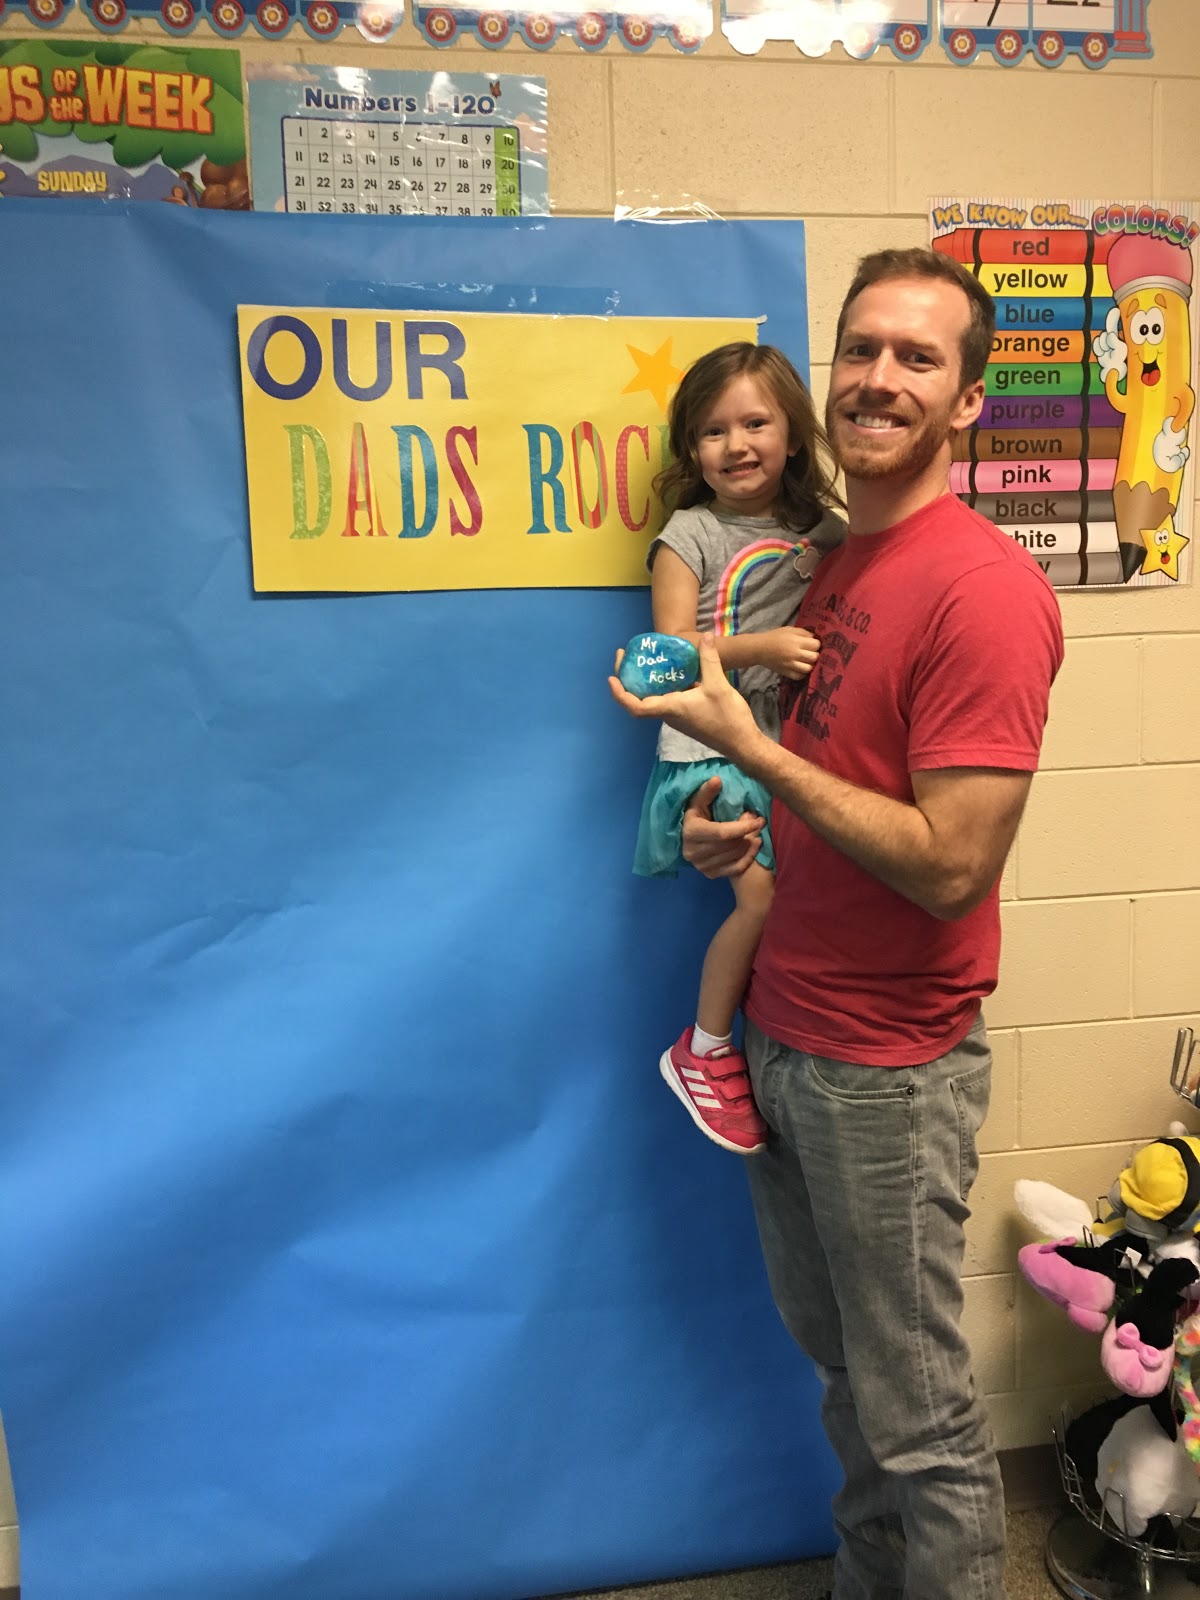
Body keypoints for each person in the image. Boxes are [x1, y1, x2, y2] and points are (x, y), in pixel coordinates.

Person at [610, 249, 1064, 1600]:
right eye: (862, 349)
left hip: (887, 1070)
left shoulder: (981, 589)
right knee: (850, 1386)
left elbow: (951, 866)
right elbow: (833, 784)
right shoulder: (835, 561)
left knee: (919, 1420)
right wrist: (740, 833)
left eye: (919, 357)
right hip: (784, 1034)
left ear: (968, 400)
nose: (879, 377)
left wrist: (751, 744)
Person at [631, 342, 844, 1156]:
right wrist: (762, 649)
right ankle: (705, 1046)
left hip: (784, 749)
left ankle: (769, 1042)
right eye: (713, 431)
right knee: (760, 902)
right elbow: (667, 652)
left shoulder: (822, 531)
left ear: (792, 432)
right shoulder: (688, 533)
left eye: (756, 423)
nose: (737, 444)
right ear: (692, 449)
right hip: (709, 752)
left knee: (800, 901)